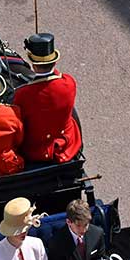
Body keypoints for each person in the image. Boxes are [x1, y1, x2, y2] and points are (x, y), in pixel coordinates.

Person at [11, 32, 83, 164]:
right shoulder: (69, 82)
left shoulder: (23, 94)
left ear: (32, 64)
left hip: (35, 150)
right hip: (66, 143)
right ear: (55, 61)